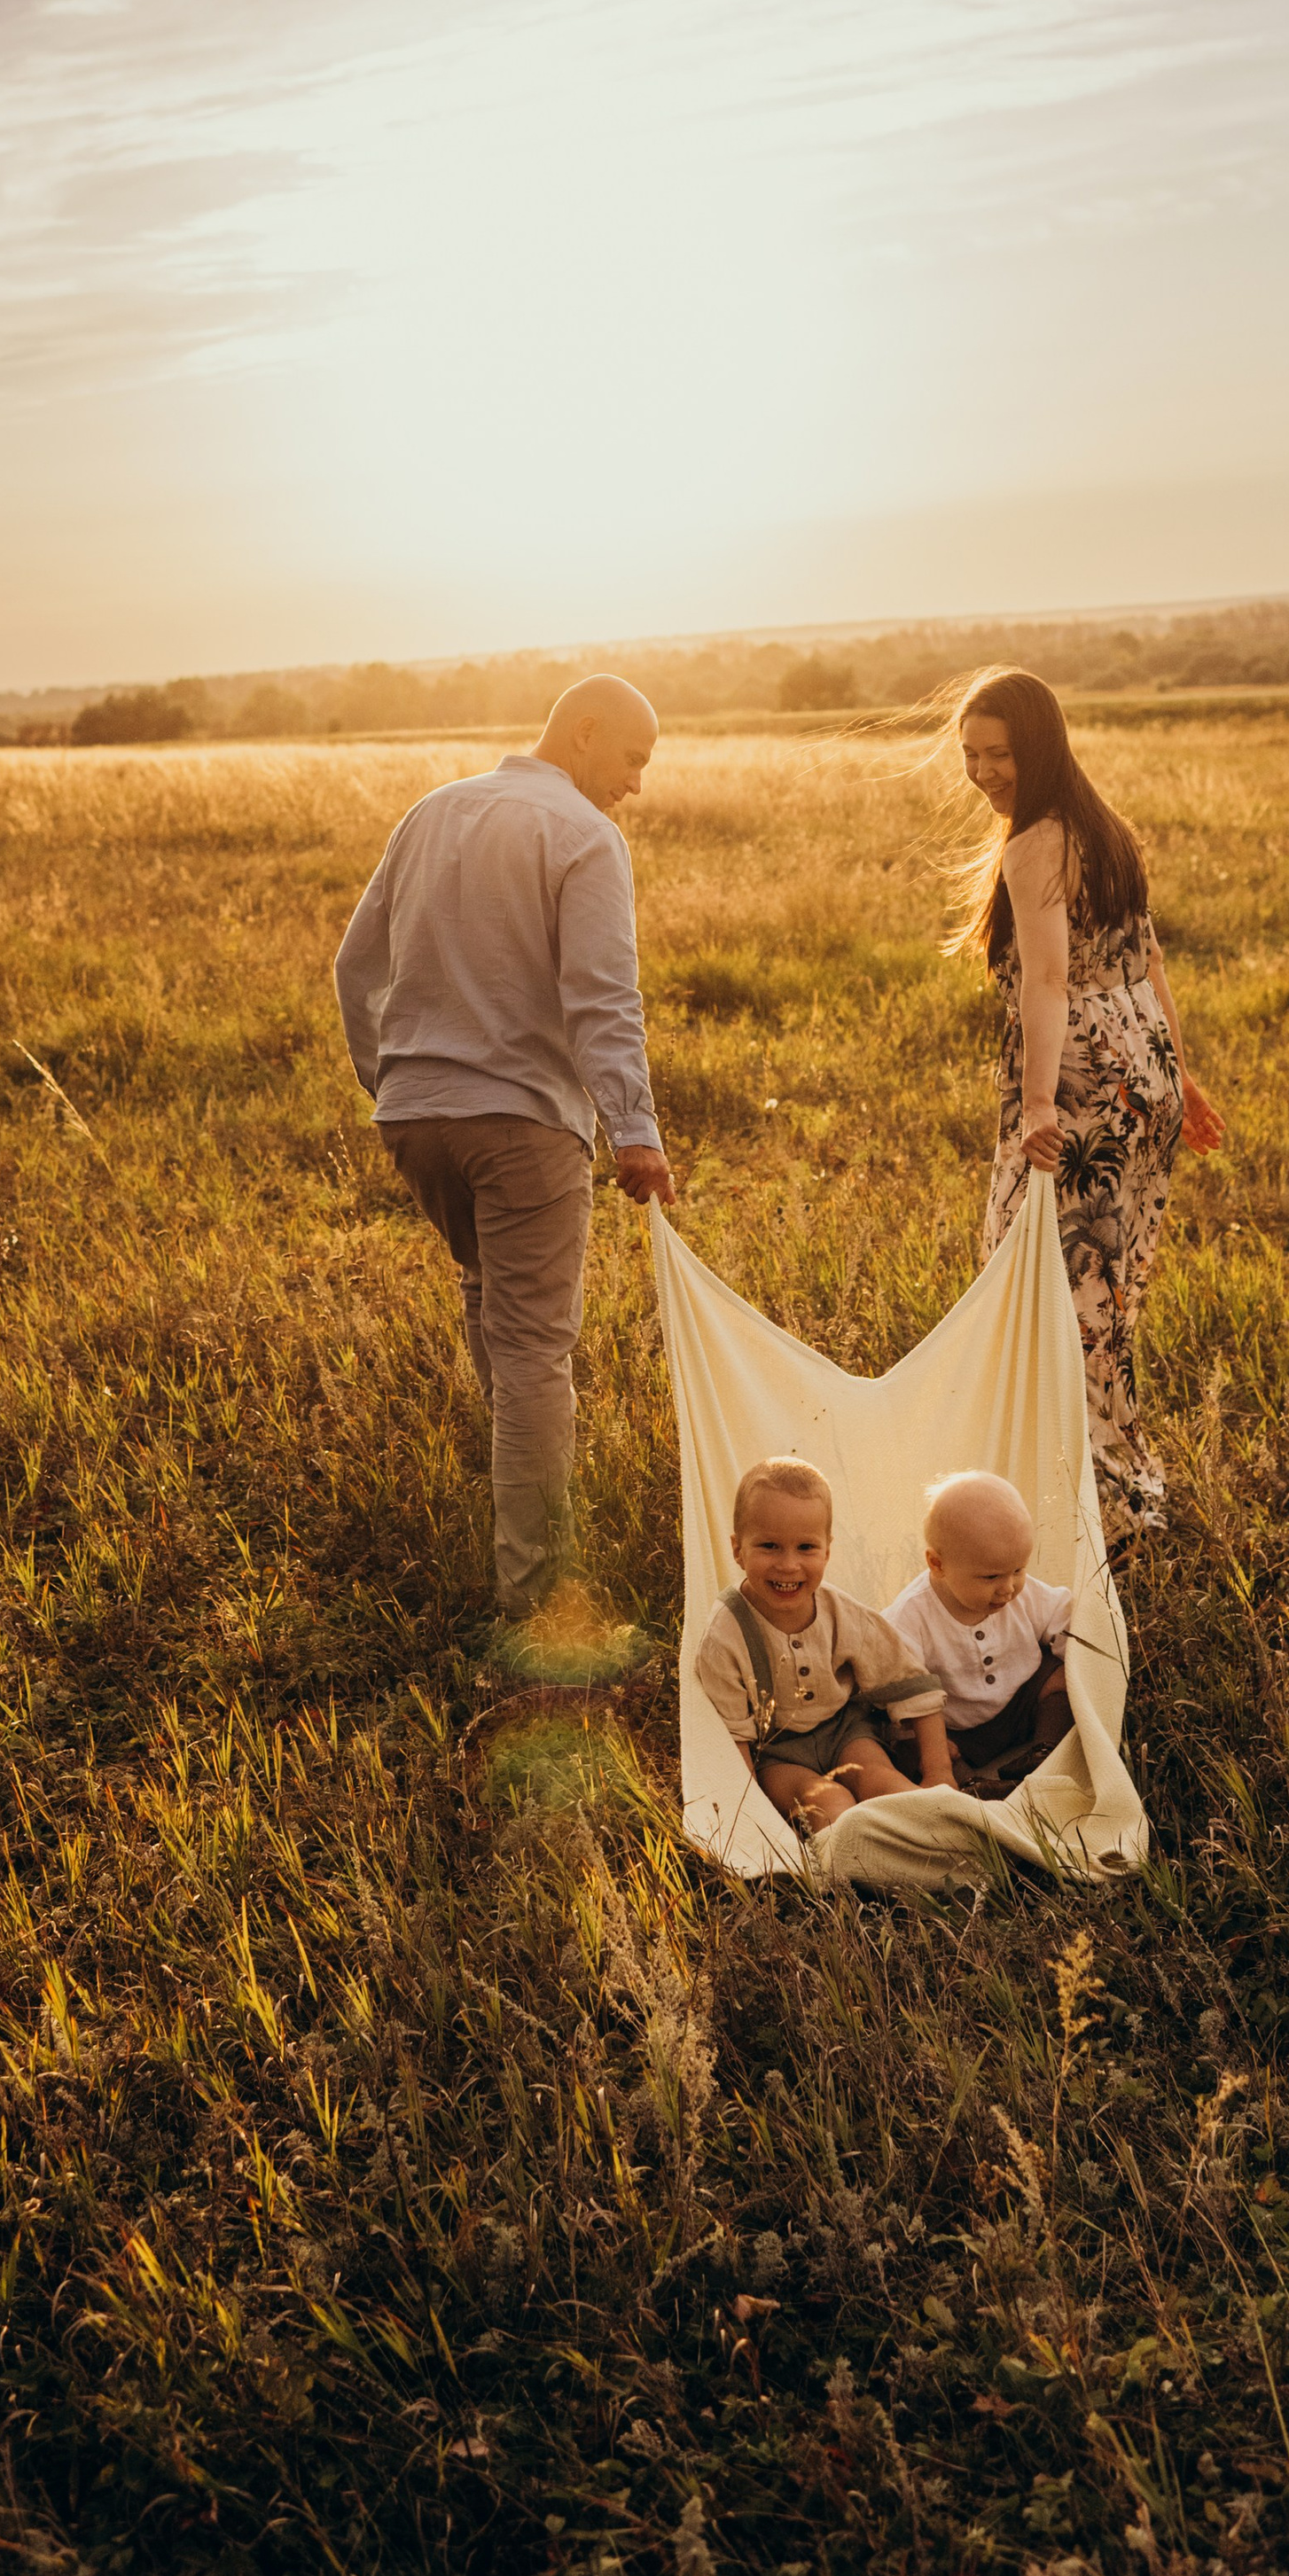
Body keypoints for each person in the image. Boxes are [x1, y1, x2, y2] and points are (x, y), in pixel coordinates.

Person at [334, 675, 676, 1621]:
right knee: (532, 1351)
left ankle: (512, 1508)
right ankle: (534, 1592)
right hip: (523, 1123)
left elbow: (353, 966)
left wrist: (393, 1081)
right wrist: (635, 1134)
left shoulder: (432, 812)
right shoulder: (581, 836)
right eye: (633, 761)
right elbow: (604, 1001)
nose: (635, 786)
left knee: (490, 1298)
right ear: (586, 733)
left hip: (414, 1118)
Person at [942, 667, 1224, 1542]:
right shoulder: (1105, 832)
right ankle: (1112, 1485)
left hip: (1079, 1099)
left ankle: (1081, 1496)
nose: (984, 772)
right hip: (1140, 1085)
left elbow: (1050, 982)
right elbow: (1150, 966)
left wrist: (1035, 1105)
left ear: (1039, 749)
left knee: (1034, 1292)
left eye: (1000, 754)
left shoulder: (1036, 846)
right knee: (1096, 1297)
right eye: (969, 755)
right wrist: (1178, 1074)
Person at [693, 1456, 943, 1834]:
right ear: (737, 1549)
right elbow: (733, 1737)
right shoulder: (725, 1635)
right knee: (830, 1806)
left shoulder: (843, 1614)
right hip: (776, 1754)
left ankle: (939, 1840)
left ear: (827, 1550)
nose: (789, 1565)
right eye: (770, 1546)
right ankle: (864, 1875)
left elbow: (910, 1683)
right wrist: (752, 1814)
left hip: (845, 1732)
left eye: (806, 1547)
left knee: (886, 1787)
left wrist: (939, 1771)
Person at [884, 1471, 1073, 1795]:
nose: (1008, 1588)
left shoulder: (1020, 1593)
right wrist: (931, 1744)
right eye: (990, 1577)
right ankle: (969, 1785)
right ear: (937, 1564)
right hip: (955, 1731)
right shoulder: (910, 1617)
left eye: (1019, 1570)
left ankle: (1046, 1751)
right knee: (912, 1742)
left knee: (1062, 1676)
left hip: (1020, 1705)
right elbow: (901, 1691)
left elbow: (1065, 1618)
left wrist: (1084, 1665)